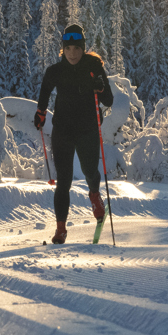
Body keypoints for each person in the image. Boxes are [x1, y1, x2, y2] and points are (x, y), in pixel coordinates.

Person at [35, 23, 114, 244]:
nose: (72, 54)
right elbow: (44, 91)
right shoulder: (55, 71)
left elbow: (108, 100)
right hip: (62, 130)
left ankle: (95, 195)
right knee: (64, 180)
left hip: (87, 129)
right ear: (63, 49)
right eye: (68, 49)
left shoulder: (94, 66)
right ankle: (61, 229)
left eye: (77, 49)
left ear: (83, 48)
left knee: (90, 171)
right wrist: (40, 113)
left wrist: (100, 88)